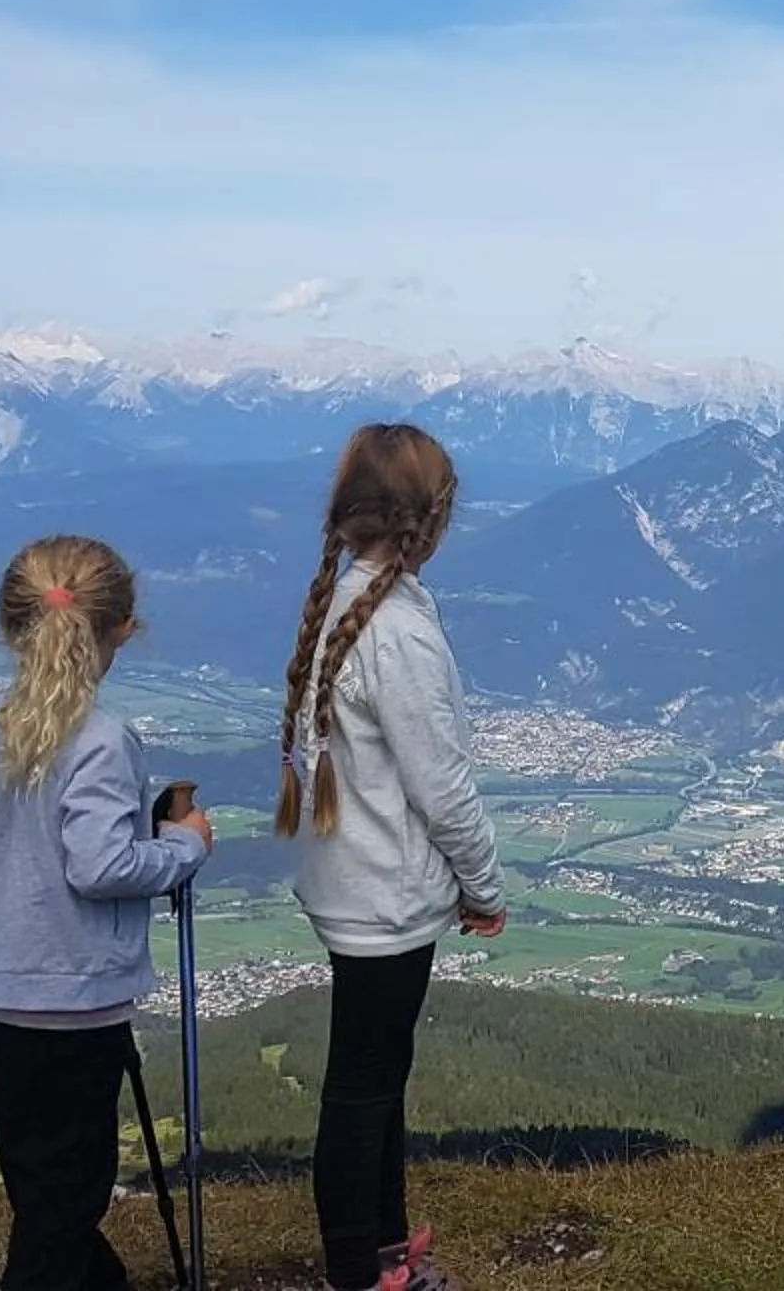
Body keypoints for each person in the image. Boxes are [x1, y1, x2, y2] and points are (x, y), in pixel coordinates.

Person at [0, 535, 213, 1291]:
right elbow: (100, 867)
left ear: (10, 628)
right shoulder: (101, 740)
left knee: (42, 1187)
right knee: (67, 1199)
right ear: (122, 630)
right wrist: (182, 848)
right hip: (76, 998)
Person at [278, 423, 505, 1291]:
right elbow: (440, 784)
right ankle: (363, 1273)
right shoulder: (399, 631)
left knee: (376, 1078)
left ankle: (382, 1246)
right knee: (365, 1088)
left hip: (346, 880)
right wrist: (481, 884)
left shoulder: (341, 604)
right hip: (387, 895)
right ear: (431, 523)